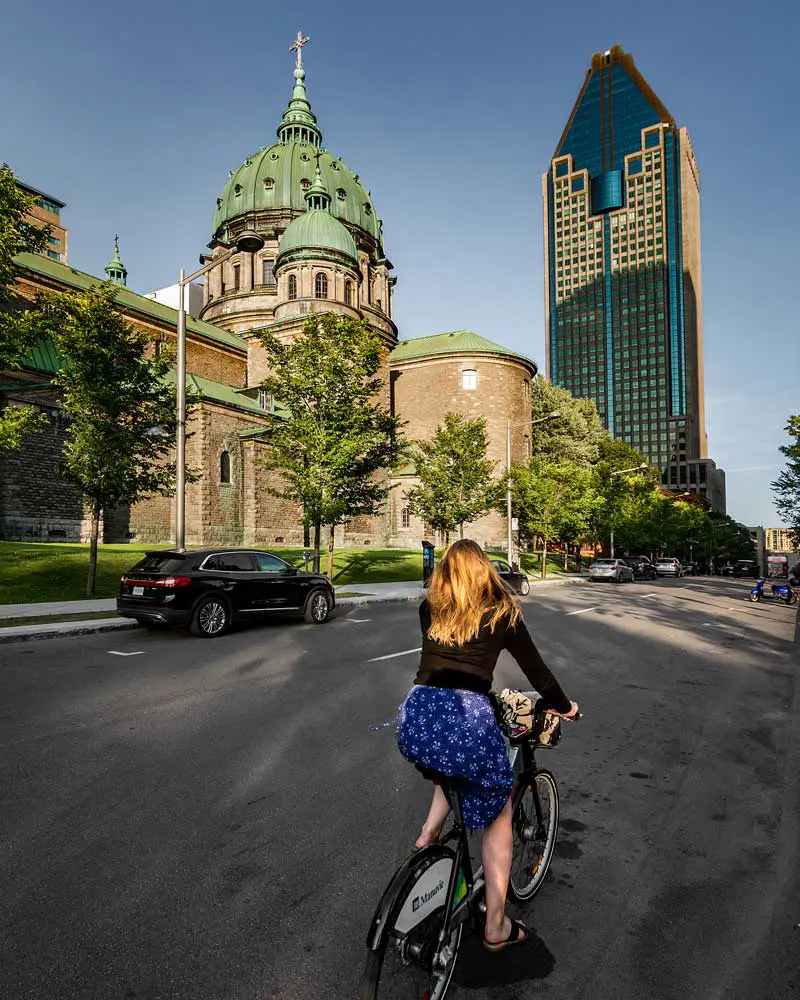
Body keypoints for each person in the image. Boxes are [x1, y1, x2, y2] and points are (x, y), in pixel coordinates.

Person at [396, 539, 579, 952]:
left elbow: (445, 656)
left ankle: (428, 836)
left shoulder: (431, 609)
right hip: (466, 715)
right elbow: (539, 673)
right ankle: (495, 925)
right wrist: (564, 706)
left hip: (416, 714)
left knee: (450, 762)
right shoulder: (503, 612)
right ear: (485, 572)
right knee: (499, 815)